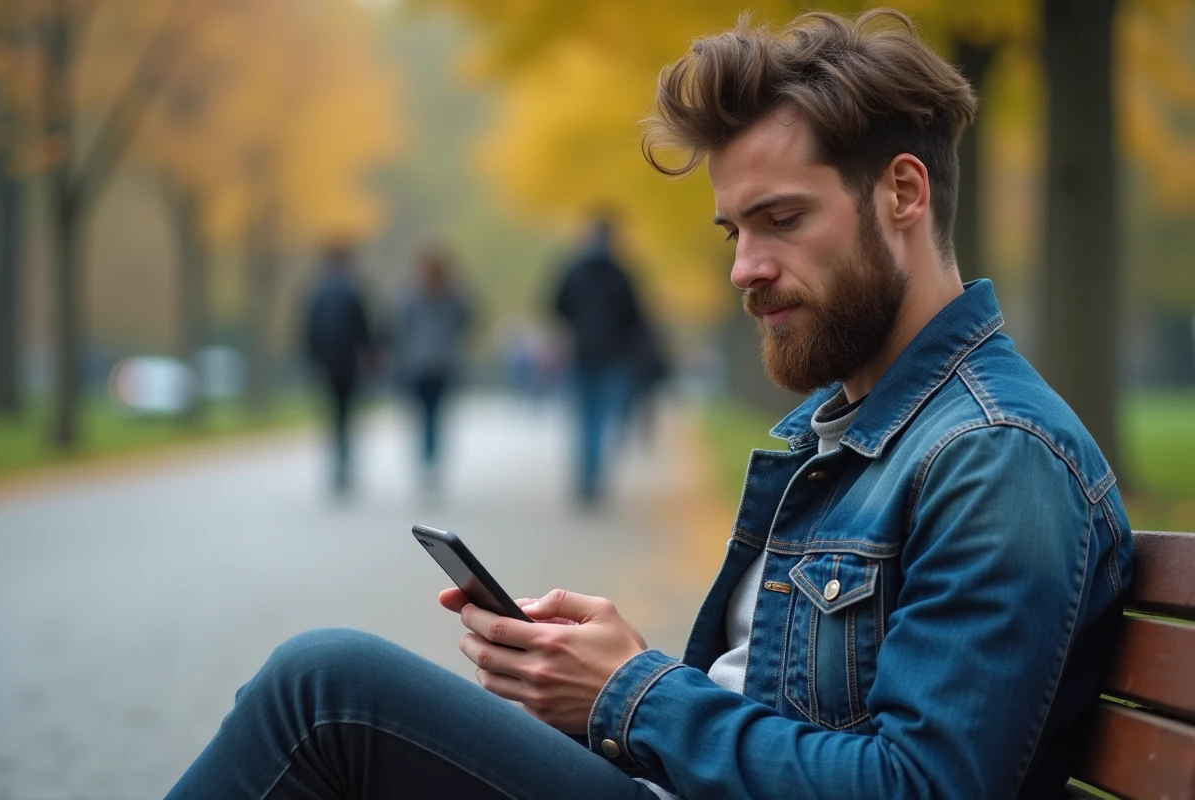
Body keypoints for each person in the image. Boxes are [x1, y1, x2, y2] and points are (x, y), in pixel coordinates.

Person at [167, 9, 1133, 799]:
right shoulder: (854, 432)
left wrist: (633, 693)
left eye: (782, 221)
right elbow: (786, 710)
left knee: (327, 691)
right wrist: (597, 680)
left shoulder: (995, 454)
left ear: (903, 195)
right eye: (732, 231)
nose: (746, 269)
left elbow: (921, 788)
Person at [551, 213, 645, 506]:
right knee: (603, 419)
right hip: (614, 356)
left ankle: (585, 479)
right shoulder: (621, 273)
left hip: (582, 352)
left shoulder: (573, 270)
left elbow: (556, 305)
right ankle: (594, 479)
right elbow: (635, 315)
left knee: (583, 419)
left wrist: (578, 326)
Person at [388, 242, 474, 496]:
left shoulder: (437, 295)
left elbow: (467, 318)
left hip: (429, 364)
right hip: (428, 365)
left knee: (429, 416)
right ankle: (429, 461)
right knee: (430, 416)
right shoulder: (416, 295)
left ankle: (428, 461)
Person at [302, 242, 372, 496]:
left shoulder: (317, 291)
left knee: (333, 415)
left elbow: (307, 329)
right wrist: (370, 355)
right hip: (348, 363)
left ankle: (338, 465)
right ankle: (343, 464)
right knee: (346, 414)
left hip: (327, 362)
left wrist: (311, 358)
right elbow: (364, 328)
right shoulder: (353, 290)